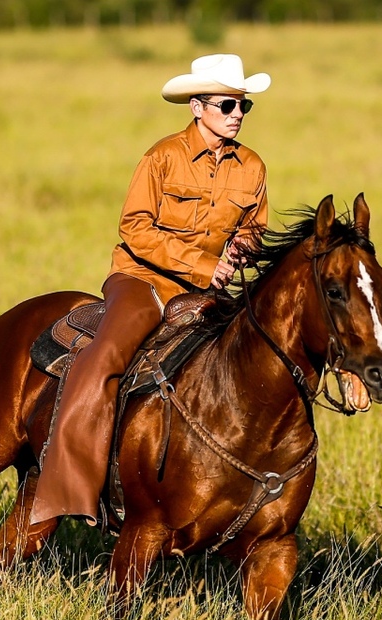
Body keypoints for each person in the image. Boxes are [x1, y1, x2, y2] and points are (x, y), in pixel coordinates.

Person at [30, 54, 271, 526]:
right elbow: (135, 227)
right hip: (143, 280)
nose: (237, 114)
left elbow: (254, 227)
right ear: (197, 107)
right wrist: (204, 266)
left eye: (243, 106)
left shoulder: (253, 167)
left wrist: (243, 246)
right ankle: (70, 483)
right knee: (106, 357)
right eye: (227, 105)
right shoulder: (162, 157)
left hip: (210, 289)